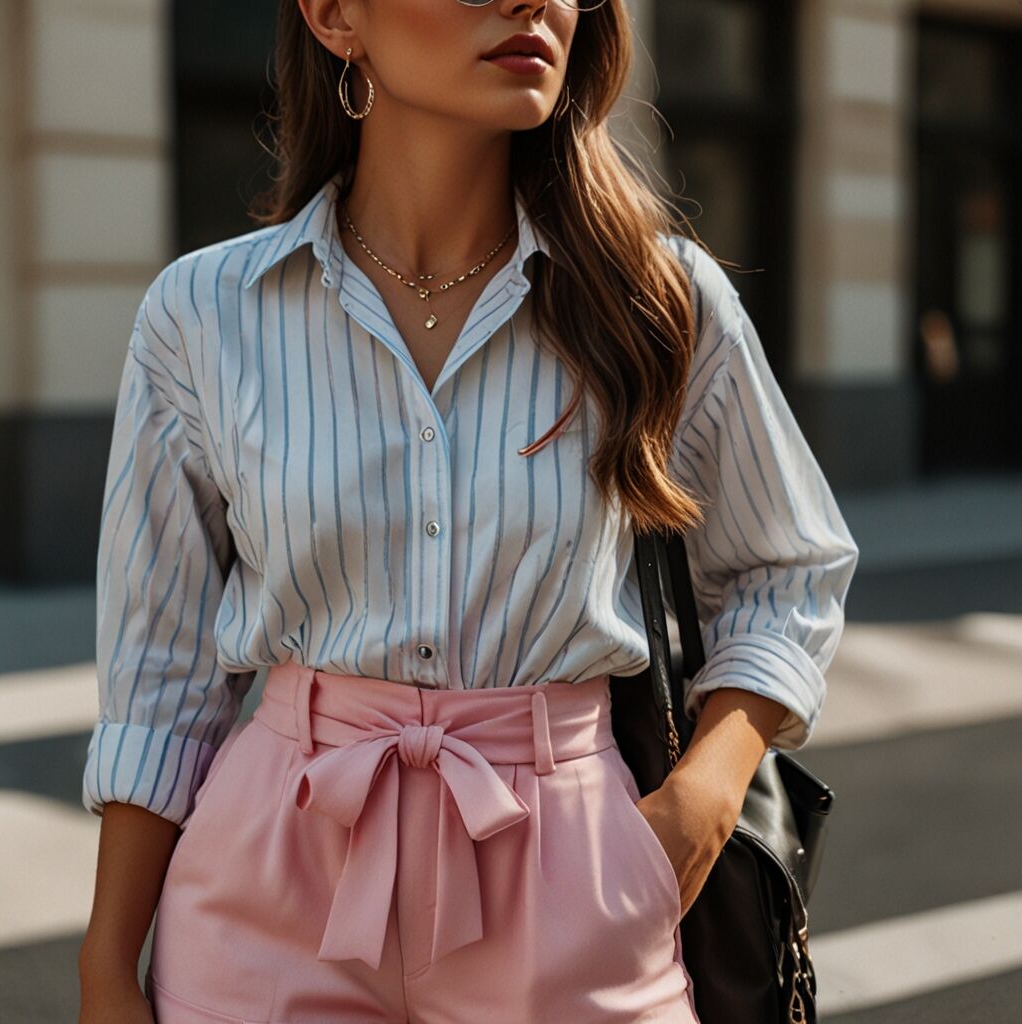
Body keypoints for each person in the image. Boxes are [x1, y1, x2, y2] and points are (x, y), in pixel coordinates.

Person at [77, 1, 859, 1022]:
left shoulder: (658, 303)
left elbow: (786, 568)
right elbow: (159, 677)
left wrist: (696, 805)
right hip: (268, 887)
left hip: (574, 884)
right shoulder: (203, 316)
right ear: (333, 14)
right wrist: (106, 965)